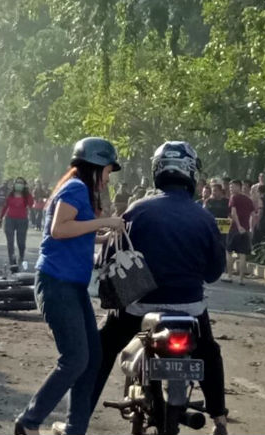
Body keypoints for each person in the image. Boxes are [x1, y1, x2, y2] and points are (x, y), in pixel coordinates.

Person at [88, 141, 229, 435]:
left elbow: (110, 257)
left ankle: (80, 416)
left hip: (139, 312)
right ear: (190, 174)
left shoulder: (137, 211)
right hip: (189, 312)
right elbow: (215, 272)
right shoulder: (204, 217)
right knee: (209, 351)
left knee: (103, 346)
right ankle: (219, 419)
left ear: (157, 171)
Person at [14, 137, 124, 435]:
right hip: (56, 284)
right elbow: (59, 229)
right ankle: (29, 421)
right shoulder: (76, 188)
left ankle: (75, 429)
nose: (108, 177)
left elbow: (76, 233)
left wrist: (105, 236)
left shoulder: (81, 191)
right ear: (96, 166)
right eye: (108, 170)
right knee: (75, 359)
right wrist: (106, 223)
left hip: (72, 287)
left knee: (93, 358)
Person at [222, 180, 255, 285]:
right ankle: (241, 279)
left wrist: (239, 226)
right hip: (245, 230)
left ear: (239, 187)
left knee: (229, 252)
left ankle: (230, 276)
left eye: (233, 187)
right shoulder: (248, 200)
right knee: (242, 254)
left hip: (234, 229)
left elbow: (233, 213)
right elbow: (253, 215)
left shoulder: (233, 198)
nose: (231, 189)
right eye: (230, 187)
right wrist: (250, 229)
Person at [0, 177, 34, 266]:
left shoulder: (26, 195)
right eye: (17, 182)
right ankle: (12, 260)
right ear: (14, 184)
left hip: (22, 220)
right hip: (9, 219)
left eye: (21, 183)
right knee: (10, 242)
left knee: (21, 242)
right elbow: (5, 207)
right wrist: (0, 218)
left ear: (24, 185)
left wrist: (28, 192)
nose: (19, 184)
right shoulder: (10, 194)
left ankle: (21, 257)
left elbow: (31, 204)